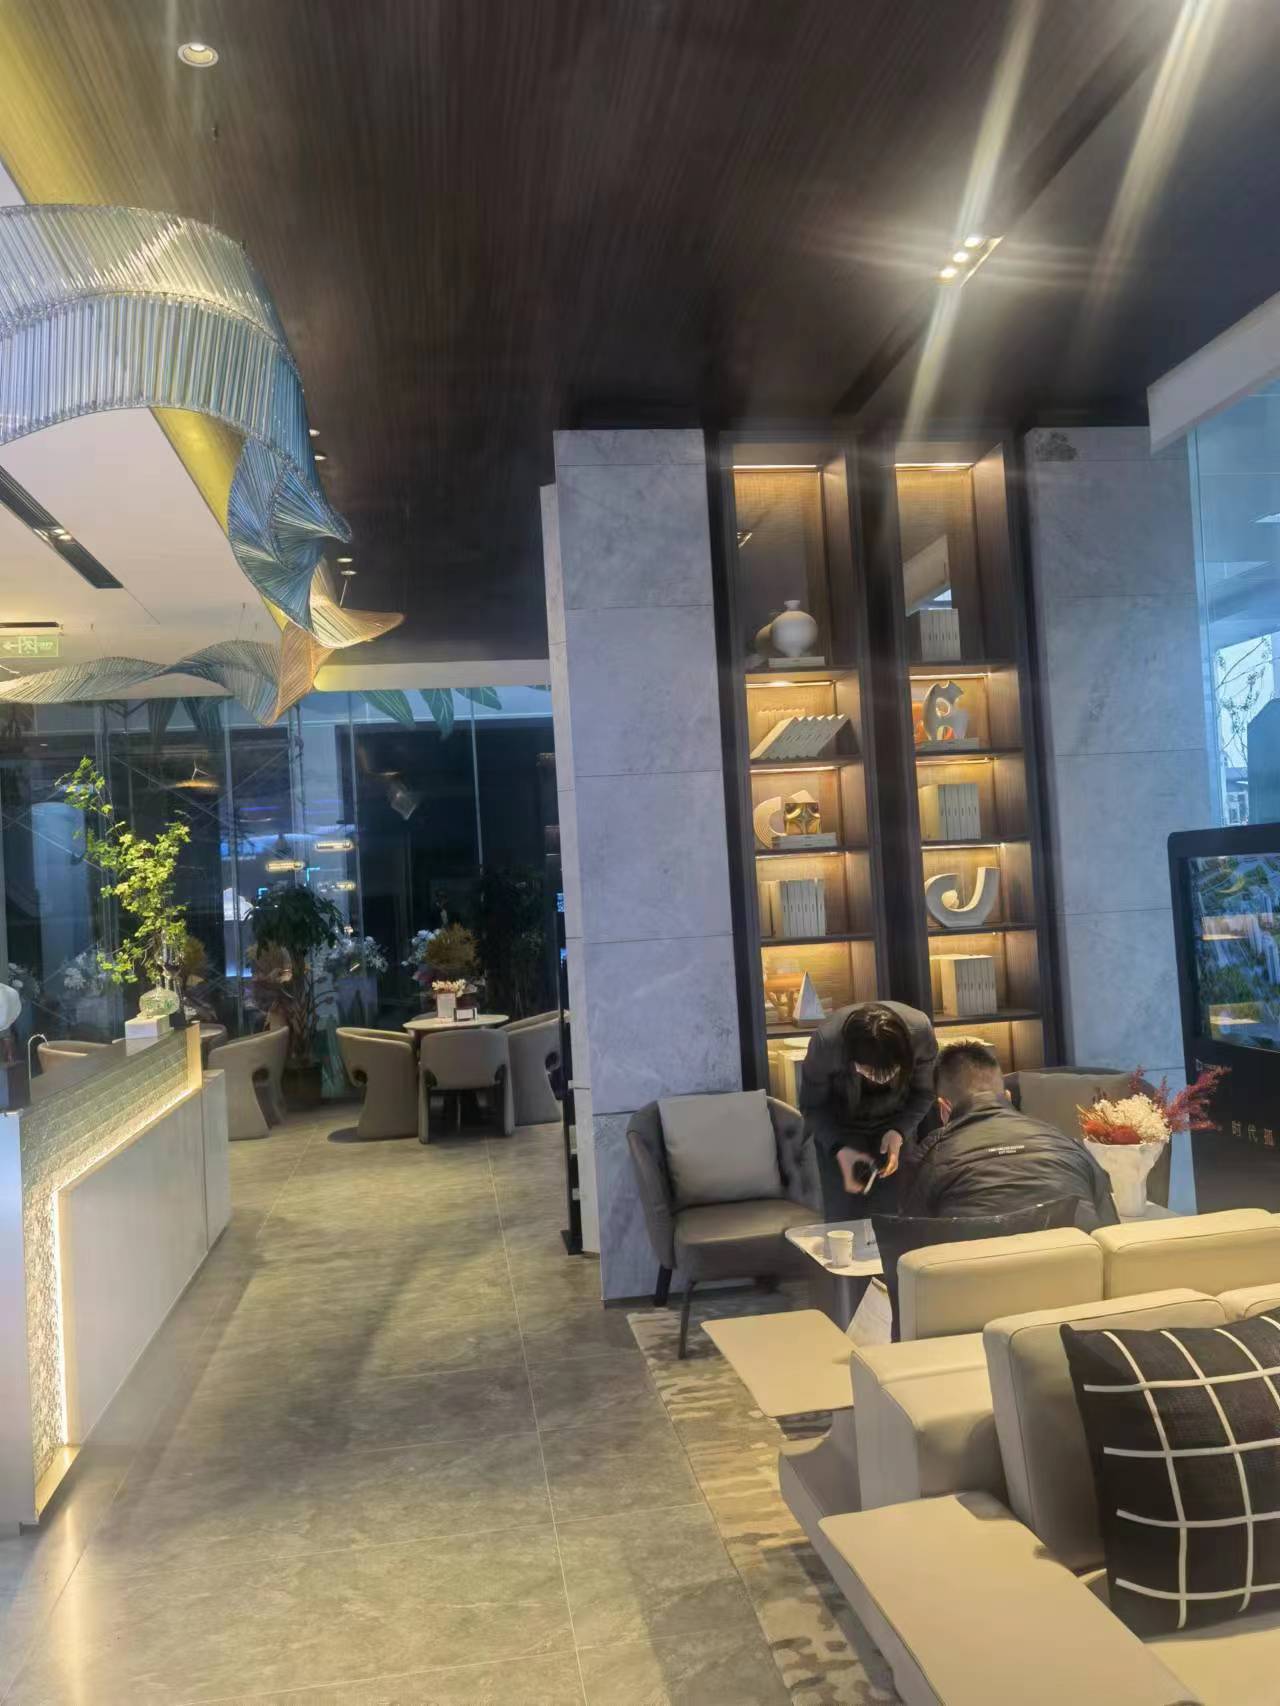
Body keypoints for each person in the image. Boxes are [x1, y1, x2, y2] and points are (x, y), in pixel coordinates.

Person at [897, 1036, 1119, 1228]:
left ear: (944, 1108)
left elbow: (910, 1242)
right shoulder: (1066, 1143)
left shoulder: (930, 1155)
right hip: (1075, 1262)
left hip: (981, 1264)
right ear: (1008, 1098)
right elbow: (1110, 1228)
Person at [799, 1000, 938, 1218]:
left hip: (896, 1121)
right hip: (839, 1128)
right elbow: (813, 1106)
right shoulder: (827, 1043)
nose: (880, 1080)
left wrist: (900, 1131)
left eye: (890, 1073)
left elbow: (925, 1092)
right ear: (852, 1059)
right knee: (843, 1222)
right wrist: (839, 1149)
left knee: (900, 1215)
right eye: (870, 1072)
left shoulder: (919, 1032)